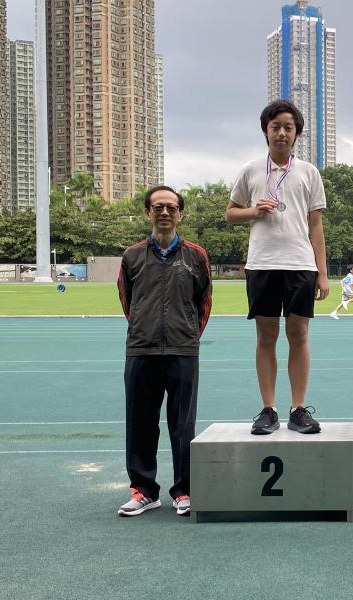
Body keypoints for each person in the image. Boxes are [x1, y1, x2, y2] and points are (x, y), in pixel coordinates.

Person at [225, 99, 329, 436]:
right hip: (262, 264)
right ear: (265, 132)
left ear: (296, 133)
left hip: (300, 264)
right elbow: (230, 213)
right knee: (266, 336)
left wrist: (322, 272)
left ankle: (298, 409)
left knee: (298, 335)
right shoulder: (251, 170)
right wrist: (254, 211)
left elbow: (316, 226)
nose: (281, 132)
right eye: (275, 127)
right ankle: (268, 409)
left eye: (288, 127)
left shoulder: (309, 173)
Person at [116, 185, 212, 517]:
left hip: (182, 350)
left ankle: (184, 490)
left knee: (182, 424)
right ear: (147, 213)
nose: (165, 212)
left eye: (171, 207)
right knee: (140, 422)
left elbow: (203, 303)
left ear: (181, 213)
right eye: (158, 207)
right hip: (141, 350)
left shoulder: (196, 256)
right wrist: (143, 328)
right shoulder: (131, 256)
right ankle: (144, 490)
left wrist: (186, 334)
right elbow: (128, 301)